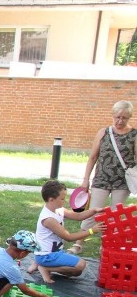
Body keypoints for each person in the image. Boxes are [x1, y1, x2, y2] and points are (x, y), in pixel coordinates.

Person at [71, 100, 135, 254]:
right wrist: (85, 180)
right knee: (93, 211)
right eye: (117, 117)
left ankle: (108, 245)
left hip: (122, 182)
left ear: (129, 118)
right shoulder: (104, 132)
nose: (120, 121)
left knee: (115, 215)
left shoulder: (134, 135)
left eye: (124, 118)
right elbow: (92, 157)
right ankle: (79, 244)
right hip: (101, 178)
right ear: (113, 115)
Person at [30, 180, 106, 284]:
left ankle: (42, 265)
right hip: (46, 255)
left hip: (54, 252)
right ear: (51, 199)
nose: (64, 201)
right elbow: (68, 237)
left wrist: (94, 211)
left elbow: (78, 216)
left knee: (76, 272)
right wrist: (92, 230)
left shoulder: (58, 209)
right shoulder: (48, 219)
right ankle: (45, 268)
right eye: (62, 198)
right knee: (81, 265)